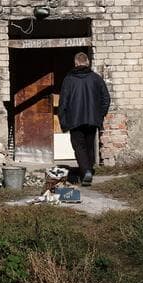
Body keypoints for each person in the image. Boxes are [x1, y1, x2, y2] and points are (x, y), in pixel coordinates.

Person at [58, 52, 110, 186]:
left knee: (79, 147)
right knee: (89, 146)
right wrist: (99, 115)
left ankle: (86, 171)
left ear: (76, 63)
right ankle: (88, 170)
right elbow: (106, 99)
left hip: (74, 120)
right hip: (92, 120)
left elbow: (63, 102)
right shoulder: (96, 78)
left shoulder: (69, 80)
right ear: (87, 63)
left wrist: (63, 122)